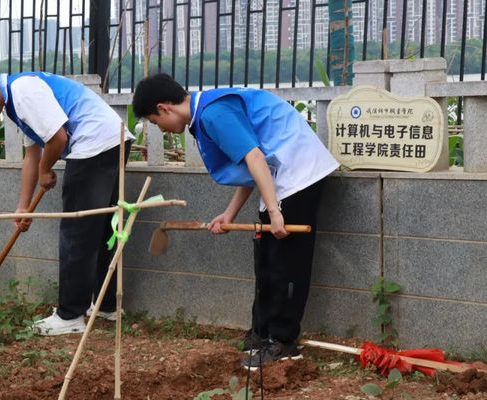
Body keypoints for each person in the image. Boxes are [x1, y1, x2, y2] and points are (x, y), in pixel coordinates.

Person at [132, 73, 338, 368]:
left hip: (299, 173)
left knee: (286, 263)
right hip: (279, 176)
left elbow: (255, 158)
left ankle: (283, 341)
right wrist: (230, 214)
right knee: (267, 258)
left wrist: (275, 212)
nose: (160, 128)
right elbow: (251, 164)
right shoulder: (207, 111)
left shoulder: (213, 114)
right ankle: (263, 333)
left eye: (155, 122)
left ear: (163, 108)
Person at [0, 63, 133, 335]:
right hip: (113, 140)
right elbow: (32, 156)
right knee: (102, 229)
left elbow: (58, 138)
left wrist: (46, 170)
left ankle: (70, 316)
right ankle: (106, 306)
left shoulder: (23, 91)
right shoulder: (17, 97)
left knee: (77, 233)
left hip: (94, 144)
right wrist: (23, 206)